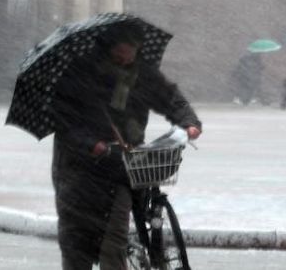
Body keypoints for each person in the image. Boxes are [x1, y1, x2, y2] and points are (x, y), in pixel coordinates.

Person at [51, 22, 202, 270]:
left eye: (129, 56)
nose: (124, 62)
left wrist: (189, 122)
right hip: (77, 171)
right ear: (107, 49)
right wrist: (93, 144)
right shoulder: (79, 75)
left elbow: (170, 97)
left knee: (114, 240)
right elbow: (65, 122)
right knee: (77, 245)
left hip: (120, 167)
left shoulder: (142, 74)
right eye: (118, 56)